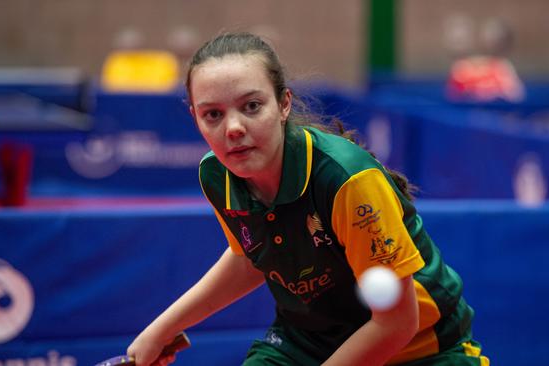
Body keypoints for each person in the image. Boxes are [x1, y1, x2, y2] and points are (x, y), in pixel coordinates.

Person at [127, 32, 489, 366]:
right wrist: (159, 330)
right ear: (195, 118)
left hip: (423, 349)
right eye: (213, 115)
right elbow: (250, 257)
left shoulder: (346, 180)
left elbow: (397, 322)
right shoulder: (217, 175)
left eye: (252, 106)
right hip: (309, 342)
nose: (233, 128)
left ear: (283, 104)